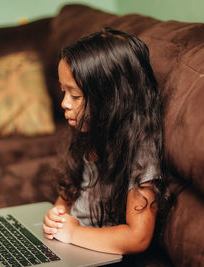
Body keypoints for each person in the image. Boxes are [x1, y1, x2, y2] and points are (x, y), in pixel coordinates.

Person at [42, 27, 169, 255]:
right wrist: (57, 215)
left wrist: (72, 233)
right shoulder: (88, 129)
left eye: (75, 95)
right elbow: (67, 197)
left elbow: (137, 237)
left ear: (110, 100)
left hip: (98, 254)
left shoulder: (141, 149)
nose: (64, 103)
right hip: (72, 247)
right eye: (64, 92)